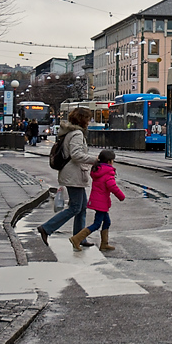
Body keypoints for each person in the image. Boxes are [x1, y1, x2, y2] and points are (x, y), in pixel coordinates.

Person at [37, 107, 97, 247]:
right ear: (82, 119)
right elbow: (76, 155)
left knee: (81, 207)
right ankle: (46, 228)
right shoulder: (76, 134)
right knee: (76, 207)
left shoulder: (70, 132)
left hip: (73, 174)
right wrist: (95, 159)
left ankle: (79, 237)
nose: (89, 121)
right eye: (88, 118)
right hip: (73, 174)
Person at [70, 149, 125, 251]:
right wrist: (121, 196)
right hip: (101, 202)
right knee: (97, 224)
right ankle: (77, 239)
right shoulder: (108, 172)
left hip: (98, 201)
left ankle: (104, 244)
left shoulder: (98, 169)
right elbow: (112, 186)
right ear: (109, 161)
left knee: (107, 222)